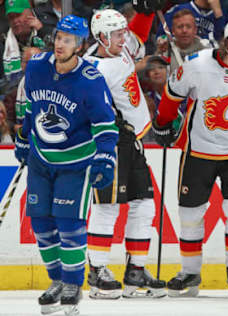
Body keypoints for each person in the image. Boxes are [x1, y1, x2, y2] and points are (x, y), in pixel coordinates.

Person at [13, 15, 118, 315]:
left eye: (68, 40)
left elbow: (105, 124)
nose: (60, 44)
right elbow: (33, 108)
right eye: (59, 37)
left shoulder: (91, 80)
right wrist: (23, 136)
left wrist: (105, 157)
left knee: (69, 223)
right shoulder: (36, 67)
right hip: (41, 159)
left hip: (76, 161)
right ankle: (57, 280)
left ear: (80, 45)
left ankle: (73, 283)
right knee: (41, 223)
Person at [152, 19, 228, 298]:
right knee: (190, 214)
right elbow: (171, 94)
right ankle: (190, 271)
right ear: (227, 43)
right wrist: (163, 123)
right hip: (199, 151)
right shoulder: (196, 64)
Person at [83, 6, 167, 299]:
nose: (123, 37)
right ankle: (97, 271)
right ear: (102, 37)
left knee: (144, 203)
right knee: (107, 206)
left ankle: (136, 271)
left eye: (122, 32)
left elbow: (139, 35)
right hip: (110, 142)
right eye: (117, 34)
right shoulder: (91, 69)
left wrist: (144, 11)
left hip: (134, 140)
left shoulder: (120, 49)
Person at [156, 0, 228, 46]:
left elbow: (224, 45)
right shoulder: (178, 9)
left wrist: (218, 13)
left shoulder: (225, 15)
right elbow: (160, 37)